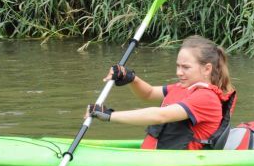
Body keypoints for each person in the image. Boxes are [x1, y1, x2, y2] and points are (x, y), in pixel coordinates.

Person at [87, 35, 236, 150]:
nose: (179, 72)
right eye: (178, 66)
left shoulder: (206, 97)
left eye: (185, 67)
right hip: (156, 156)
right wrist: (131, 78)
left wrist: (109, 115)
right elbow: (149, 93)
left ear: (207, 69)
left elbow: (160, 116)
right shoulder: (182, 87)